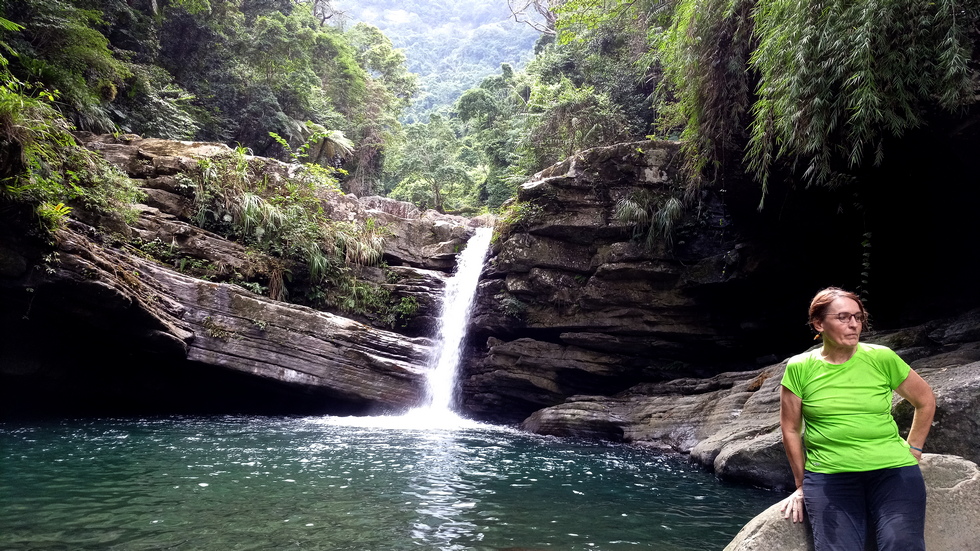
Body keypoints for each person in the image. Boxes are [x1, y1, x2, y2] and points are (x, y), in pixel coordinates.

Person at [778, 287, 936, 551]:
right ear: (819, 323)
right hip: (830, 475)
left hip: (892, 471)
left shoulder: (881, 357)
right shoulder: (799, 367)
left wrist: (915, 449)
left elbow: (925, 400)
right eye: (842, 317)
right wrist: (800, 484)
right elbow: (791, 428)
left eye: (858, 317)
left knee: (902, 544)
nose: (853, 325)